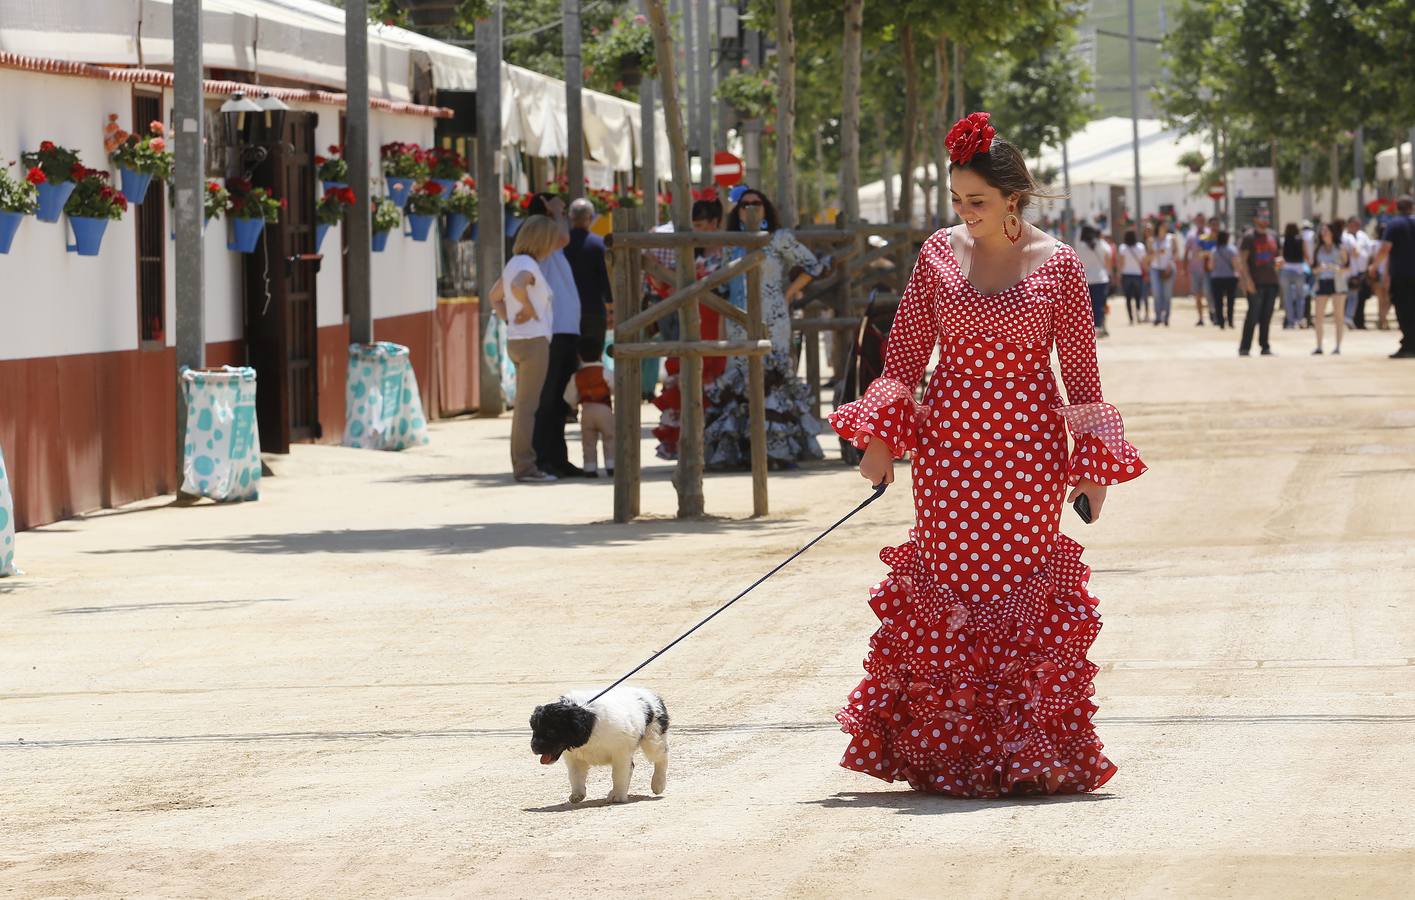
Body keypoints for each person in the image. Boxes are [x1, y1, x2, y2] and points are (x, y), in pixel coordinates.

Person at [832, 112, 1146, 798]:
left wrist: (1093, 471)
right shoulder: (937, 255)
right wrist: (881, 440)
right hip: (948, 455)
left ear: (1013, 197)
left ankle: (1025, 752)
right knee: (947, 588)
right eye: (957, 201)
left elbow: (1082, 380)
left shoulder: (1060, 265)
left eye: (976, 201)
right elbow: (906, 354)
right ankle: (944, 752)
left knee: (1019, 594)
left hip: (1027, 456)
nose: (963, 214)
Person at [703, 188, 824, 468]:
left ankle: (778, 450)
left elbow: (812, 265)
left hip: (773, 319)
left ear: (766, 207)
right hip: (737, 320)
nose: (750, 208)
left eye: (756, 203)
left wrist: (789, 293)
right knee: (739, 378)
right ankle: (741, 451)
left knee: (773, 376)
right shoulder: (730, 242)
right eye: (744, 205)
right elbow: (721, 282)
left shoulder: (780, 238)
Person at [649, 196, 729, 459]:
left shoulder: (730, 253)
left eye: (700, 223)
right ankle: (688, 445)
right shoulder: (685, 254)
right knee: (685, 383)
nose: (696, 229)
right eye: (692, 224)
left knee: (717, 382)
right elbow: (665, 287)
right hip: (689, 325)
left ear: (715, 222)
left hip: (721, 325)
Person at [489, 215, 561, 483]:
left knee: (522, 406)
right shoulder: (528, 265)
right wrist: (529, 311)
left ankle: (523, 463)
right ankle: (525, 466)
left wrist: (510, 316)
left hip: (517, 340)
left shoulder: (514, 262)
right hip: (534, 341)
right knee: (528, 407)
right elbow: (519, 285)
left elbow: (494, 296)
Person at [523, 192, 584, 478]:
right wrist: (556, 212)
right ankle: (542, 457)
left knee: (561, 402)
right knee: (546, 400)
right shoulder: (542, 239)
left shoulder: (553, 249)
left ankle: (558, 458)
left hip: (566, 331)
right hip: (551, 332)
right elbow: (563, 236)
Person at [563, 198, 613, 367]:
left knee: (570, 359)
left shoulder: (561, 245)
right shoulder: (599, 245)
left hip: (566, 311)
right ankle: (593, 390)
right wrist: (611, 304)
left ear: (571, 217)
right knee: (593, 360)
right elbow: (606, 278)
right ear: (590, 218)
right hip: (593, 309)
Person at [1367, 195, 1415, 358]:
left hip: (1401, 274)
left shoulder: (1394, 225)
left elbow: (1385, 249)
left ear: (1397, 208)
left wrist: (1374, 266)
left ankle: (1409, 344)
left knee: (1403, 309)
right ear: (1412, 207)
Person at [563, 343, 614, 476]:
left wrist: (574, 406)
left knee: (588, 441)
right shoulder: (605, 372)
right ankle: (611, 465)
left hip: (586, 410)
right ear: (600, 354)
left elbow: (570, 396)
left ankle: (590, 468)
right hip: (604, 408)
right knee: (609, 437)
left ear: (579, 356)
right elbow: (615, 387)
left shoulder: (577, 376)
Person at [1238, 212, 1281, 356]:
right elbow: (1243, 260)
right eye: (1262, 217)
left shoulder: (1273, 236)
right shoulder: (1249, 237)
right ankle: (1245, 347)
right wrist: (1247, 281)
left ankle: (1265, 346)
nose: (1265, 220)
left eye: (1267, 217)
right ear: (1255, 219)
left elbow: (1278, 256)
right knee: (1253, 315)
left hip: (1272, 281)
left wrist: (1280, 263)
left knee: (1267, 316)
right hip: (1256, 283)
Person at [1310, 221, 1348, 355]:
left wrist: (1336, 268)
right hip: (1322, 282)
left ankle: (1338, 346)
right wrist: (1319, 269)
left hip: (1337, 283)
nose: (1324, 233)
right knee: (1318, 316)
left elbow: (1347, 267)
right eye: (1322, 231)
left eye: (1326, 231)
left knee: (1338, 316)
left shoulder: (1340, 248)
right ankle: (1319, 346)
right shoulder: (1317, 249)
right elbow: (1313, 269)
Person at [1076, 224, 1112, 338]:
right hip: (1101, 278)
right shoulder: (1101, 244)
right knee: (1100, 304)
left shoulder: (1080, 246)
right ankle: (1100, 326)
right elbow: (1109, 258)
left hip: (1085, 279)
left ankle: (1089, 327)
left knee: (1087, 305)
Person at [1342, 216, 1374, 329]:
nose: (1356, 227)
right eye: (1353, 224)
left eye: (1357, 225)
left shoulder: (1363, 235)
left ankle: (1359, 321)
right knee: (1349, 296)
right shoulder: (1344, 236)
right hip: (1349, 272)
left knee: (1362, 298)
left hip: (1361, 271)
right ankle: (1348, 318)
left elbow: (1369, 251)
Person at [1278, 223, 1308, 329]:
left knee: (1288, 297)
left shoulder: (1283, 240)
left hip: (1286, 269)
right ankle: (1299, 319)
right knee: (1300, 296)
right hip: (1299, 270)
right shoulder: (1301, 240)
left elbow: (1281, 256)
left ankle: (1290, 321)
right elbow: (1306, 255)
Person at [1208, 229, 1239, 329]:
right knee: (1231, 301)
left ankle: (1220, 322)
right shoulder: (1232, 250)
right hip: (1230, 278)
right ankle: (1230, 321)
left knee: (1218, 301)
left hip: (1216, 278)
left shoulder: (1214, 250)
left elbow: (1211, 266)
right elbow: (1235, 265)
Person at [1186, 213, 1210, 326]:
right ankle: (1200, 317)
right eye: (1198, 220)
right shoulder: (1191, 235)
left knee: (1209, 293)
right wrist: (1185, 268)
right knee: (1198, 295)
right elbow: (1186, 252)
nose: (1200, 222)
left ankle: (1212, 313)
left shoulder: (1210, 233)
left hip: (1208, 269)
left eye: (1202, 220)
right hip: (1195, 269)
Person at [1117, 229, 1146, 324]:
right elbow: (1143, 262)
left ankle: (1131, 318)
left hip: (1126, 274)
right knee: (1138, 296)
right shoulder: (1140, 247)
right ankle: (1138, 312)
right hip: (1137, 274)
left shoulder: (1122, 248)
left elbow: (1121, 263)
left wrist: (1119, 274)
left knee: (1128, 298)